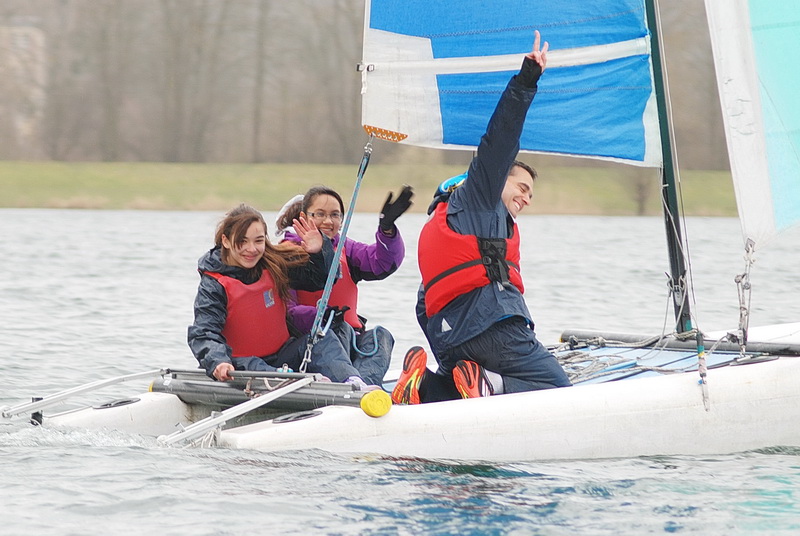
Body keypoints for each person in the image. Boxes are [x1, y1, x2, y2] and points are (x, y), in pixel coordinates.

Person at [392, 30, 571, 404]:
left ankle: (423, 386)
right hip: (494, 329)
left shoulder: (444, 219)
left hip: (450, 341)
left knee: (459, 392)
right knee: (558, 390)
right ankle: (492, 383)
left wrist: (447, 349)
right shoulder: (480, 197)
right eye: (522, 187)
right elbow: (500, 139)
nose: (526, 198)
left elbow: (425, 303)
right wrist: (527, 80)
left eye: (531, 194)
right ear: (499, 177)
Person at [187, 203, 378, 390]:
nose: (251, 249)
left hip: (282, 355)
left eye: (258, 241)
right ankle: (294, 383)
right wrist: (218, 361)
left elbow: (320, 280)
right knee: (253, 363)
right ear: (226, 241)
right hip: (239, 364)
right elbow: (203, 333)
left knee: (322, 338)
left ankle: (353, 382)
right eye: (242, 241)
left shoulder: (274, 265)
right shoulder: (214, 284)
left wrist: (320, 252)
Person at [275, 185, 413, 386]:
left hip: (348, 340)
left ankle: (361, 386)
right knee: (335, 333)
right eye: (320, 214)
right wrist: (326, 318)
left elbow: (382, 263)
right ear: (304, 217)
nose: (328, 221)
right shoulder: (286, 254)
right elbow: (287, 312)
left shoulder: (345, 248)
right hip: (313, 345)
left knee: (381, 336)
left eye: (335, 215)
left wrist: (387, 230)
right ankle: (355, 385)